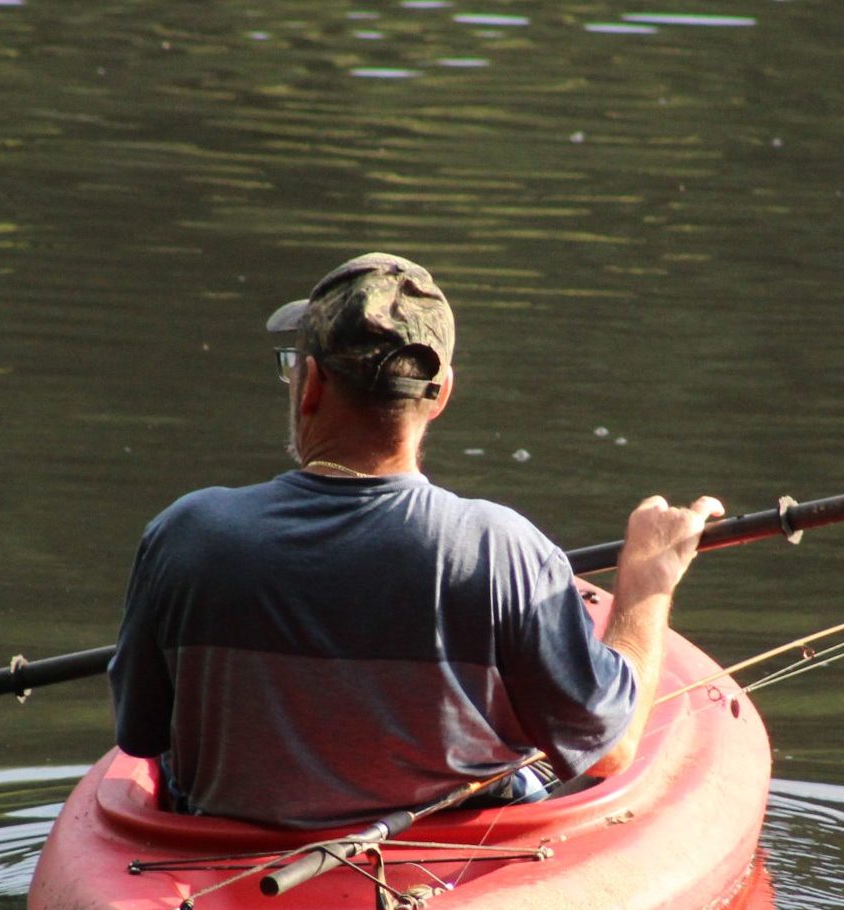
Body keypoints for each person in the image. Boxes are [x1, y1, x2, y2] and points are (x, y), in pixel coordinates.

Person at [109, 252, 722, 828]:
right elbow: (608, 749)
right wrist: (645, 584)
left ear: (313, 383)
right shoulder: (499, 548)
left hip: (213, 867)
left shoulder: (186, 535)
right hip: (440, 875)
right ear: (441, 396)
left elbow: (140, 735)